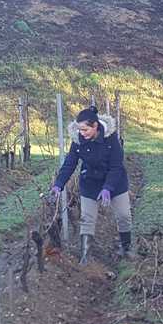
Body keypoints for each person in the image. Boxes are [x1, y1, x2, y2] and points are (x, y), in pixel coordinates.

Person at [50, 105, 132, 265]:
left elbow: (116, 166)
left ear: (95, 127)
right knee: (87, 218)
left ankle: (126, 248)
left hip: (115, 181)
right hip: (90, 182)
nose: (82, 133)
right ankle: (85, 256)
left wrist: (108, 188)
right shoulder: (78, 141)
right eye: (80, 130)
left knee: (124, 215)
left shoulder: (111, 139)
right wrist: (58, 184)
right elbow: (70, 163)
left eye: (85, 130)